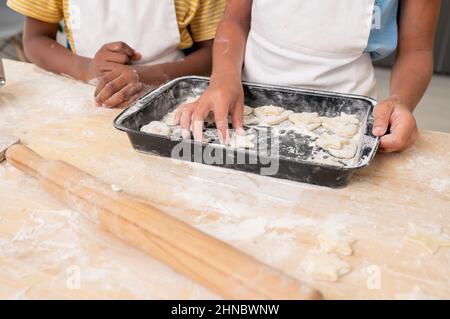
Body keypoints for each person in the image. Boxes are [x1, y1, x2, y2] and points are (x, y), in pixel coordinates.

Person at [176, 0, 441, 153]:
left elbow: (417, 49)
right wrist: (223, 77)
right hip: (246, 103)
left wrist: (401, 100)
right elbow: (235, 20)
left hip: (346, 116)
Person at [7, 0, 226, 107]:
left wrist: (152, 75)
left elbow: (214, 52)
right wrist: (86, 68)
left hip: (172, 95)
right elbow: (35, 40)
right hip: (85, 98)